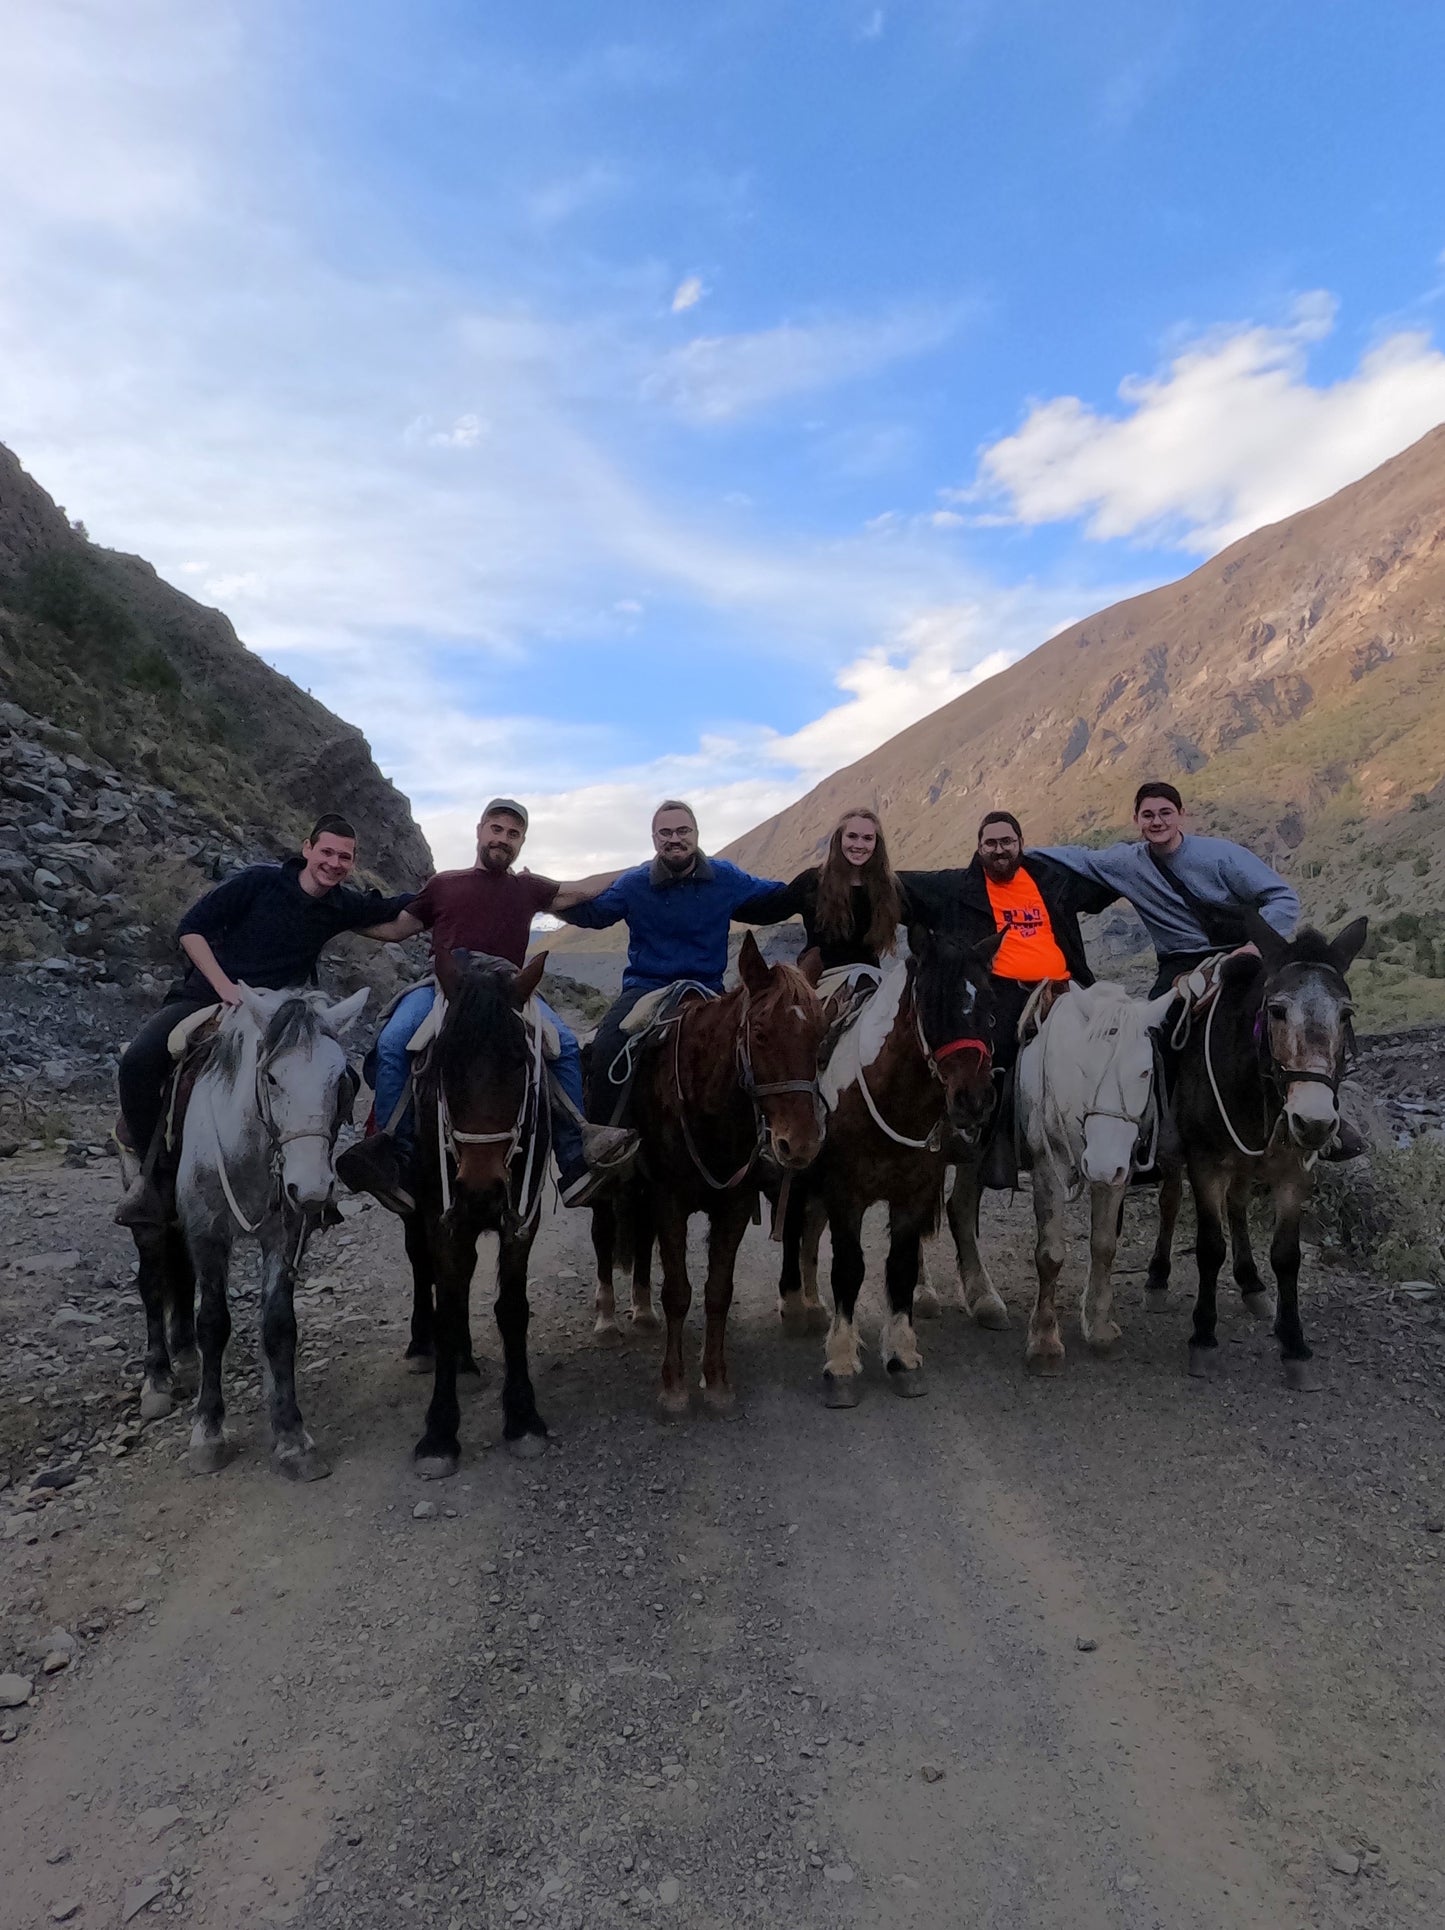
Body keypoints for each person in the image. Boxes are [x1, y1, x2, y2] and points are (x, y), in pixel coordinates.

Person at [114, 814, 415, 1225]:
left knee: (341, 1078)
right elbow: (191, 929)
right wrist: (225, 987)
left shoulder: (340, 904)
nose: (334, 862)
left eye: (344, 857)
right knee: (139, 1061)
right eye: (326, 851)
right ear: (307, 849)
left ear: (352, 863)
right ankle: (153, 1176)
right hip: (211, 996)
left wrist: (451, 893)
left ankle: (315, 1181)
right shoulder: (258, 882)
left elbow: (397, 921)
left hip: (283, 1016)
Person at [337, 798, 636, 1211]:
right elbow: (396, 928)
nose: (503, 839)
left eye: (513, 834)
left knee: (563, 1045)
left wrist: (638, 869)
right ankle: (397, 1156)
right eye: (496, 829)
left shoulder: (528, 888)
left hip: (507, 987)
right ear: (480, 831)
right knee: (392, 1043)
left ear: (522, 843)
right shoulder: (444, 884)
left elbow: (582, 889)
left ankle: (574, 1155)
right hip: (446, 984)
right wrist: (332, 914)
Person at [900, 811, 1114, 1185]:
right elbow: (900, 887)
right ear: (979, 847)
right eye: (991, 843)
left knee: (1115, 1044)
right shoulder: (957, 888)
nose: (999, 850)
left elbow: (1107, 881)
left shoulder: (1051, 880)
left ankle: (1119, 1145)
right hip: (1000, 992)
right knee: (992, 1055)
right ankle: (995, 1150)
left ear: (1020, 844)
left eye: (1007, 842)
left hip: (1063, 988)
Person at [557, 799, 783, 1120]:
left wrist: (817, 885)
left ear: (696, 834)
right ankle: (605, 1134)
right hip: (646, 989)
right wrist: (543, 897)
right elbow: (595, 912)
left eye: (682, 831)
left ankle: (761, 1133)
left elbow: (775, 898)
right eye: (665, 832)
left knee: (758, 1046)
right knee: (608, 1047)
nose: (674, 839)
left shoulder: (724, 878)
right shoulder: (636, 883)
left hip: (708, 990)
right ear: (653, 839)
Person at [1036, 781, 1299, 996]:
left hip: (1238, 953)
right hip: (1179, 963)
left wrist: (1255, 947)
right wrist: (1017, 852)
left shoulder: (1221, 855)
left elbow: (1282, 897)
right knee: (1153, 1032)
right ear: (1136, 820)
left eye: (1165, 813)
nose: (1157, 822)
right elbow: (1078, 857)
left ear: (1181, 815)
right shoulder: (1126, 862)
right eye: (1148, 815)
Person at [732, 807, 910, 971]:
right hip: (819, 981)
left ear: (877, 843)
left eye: (868, 838)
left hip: (870, 980)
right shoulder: (813, 882)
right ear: (839, 838)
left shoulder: (888, 889)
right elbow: (768, 911)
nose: (859, 844)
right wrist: (722, 903)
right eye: (852, 836)